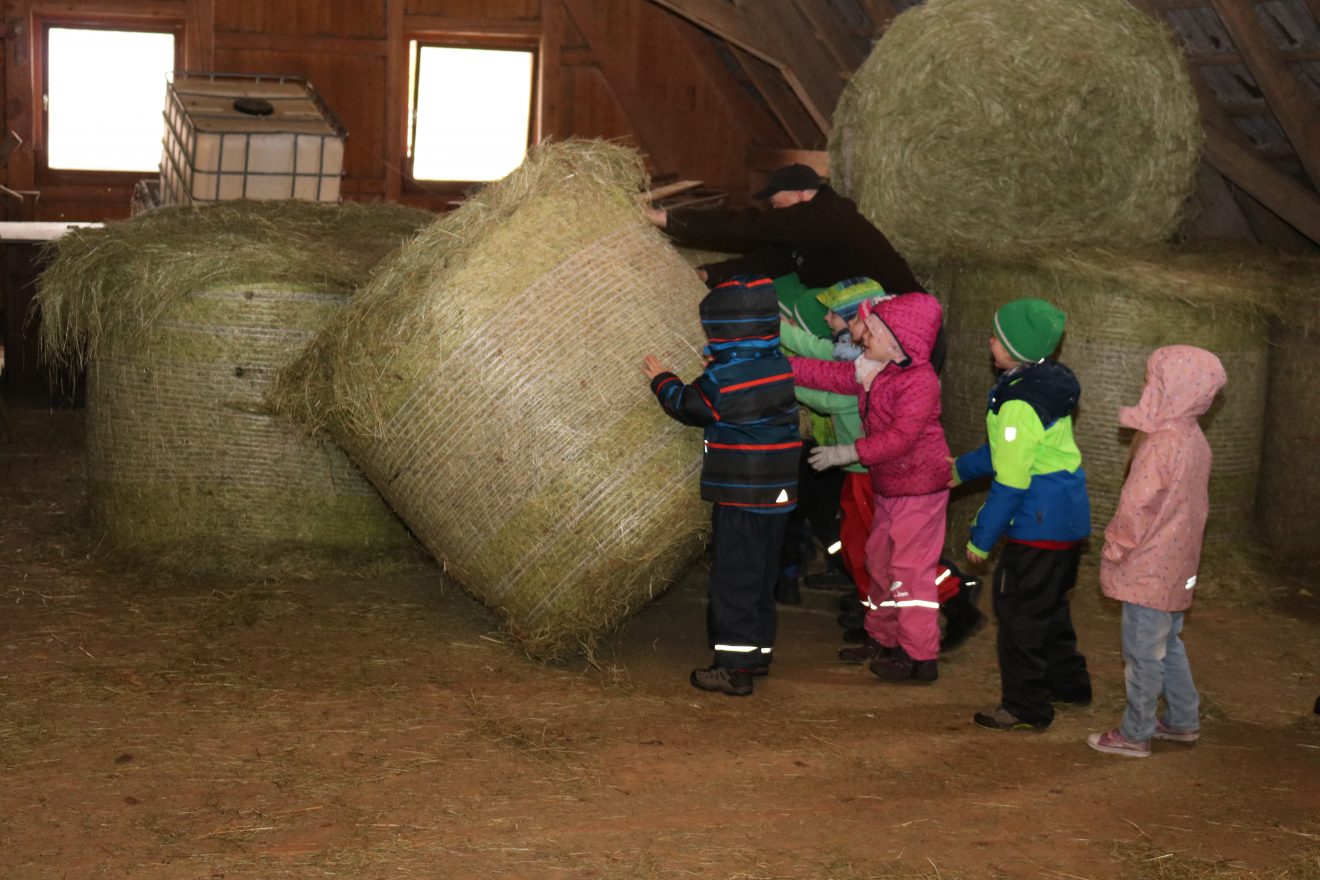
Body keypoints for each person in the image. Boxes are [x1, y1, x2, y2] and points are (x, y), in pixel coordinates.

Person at [644, 275, 800, 697]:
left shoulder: (726, 377)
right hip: (780, 490)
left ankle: (734, 668)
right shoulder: (780, 365)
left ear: (724, 331)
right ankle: (758, 652)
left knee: (734, 580)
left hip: (741, 493)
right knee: (762, 575)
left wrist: (662, 379)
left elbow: (690, 405)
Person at [789, 292, 950, 683]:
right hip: (891, 487)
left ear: (898, 342)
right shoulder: (873, 369)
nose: (863, 338)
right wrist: (779, 368)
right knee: (879, 560)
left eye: (873, 332)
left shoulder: (919, 382)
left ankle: (918, 656)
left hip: (920, 487)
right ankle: (882, 637)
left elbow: (900, 437)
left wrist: (846, 452)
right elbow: (828, 375)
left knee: (909, 571)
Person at [644, 163, 944, 371]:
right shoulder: (814, 225)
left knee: (804, 303)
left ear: (801, 193)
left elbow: (747, 226)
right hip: (889, 328)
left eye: (776, 202)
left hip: (907, 330)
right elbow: (775, 260)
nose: (774, 210)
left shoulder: (822, 216)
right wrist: (711, 274)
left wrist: (668, 220)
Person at [951, 298, 1092, 730]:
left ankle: (1025, 705)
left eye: (995, 335)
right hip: (1067, 522)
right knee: (1049, 606)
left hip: (1036, 526)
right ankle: (1068, 683)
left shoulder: (1018, 404)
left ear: (1012, 347)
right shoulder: (1042, 384)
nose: (989, 340)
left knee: (1018, 615)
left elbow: (1011, 482)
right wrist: (958, 470)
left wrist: (981, 537)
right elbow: (1006, 453)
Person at [1086, 346, 1227, 758]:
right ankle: (1184, 719)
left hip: (1148, 567)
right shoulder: (1196, 441)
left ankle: (1136, 732)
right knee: (1170, 643)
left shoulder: (1160, 445)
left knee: (1142, 652)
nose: (1149, 389)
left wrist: (1115, 548)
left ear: (1172, 390)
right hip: (1179, 565)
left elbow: (1135, 507)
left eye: (1155, 382)